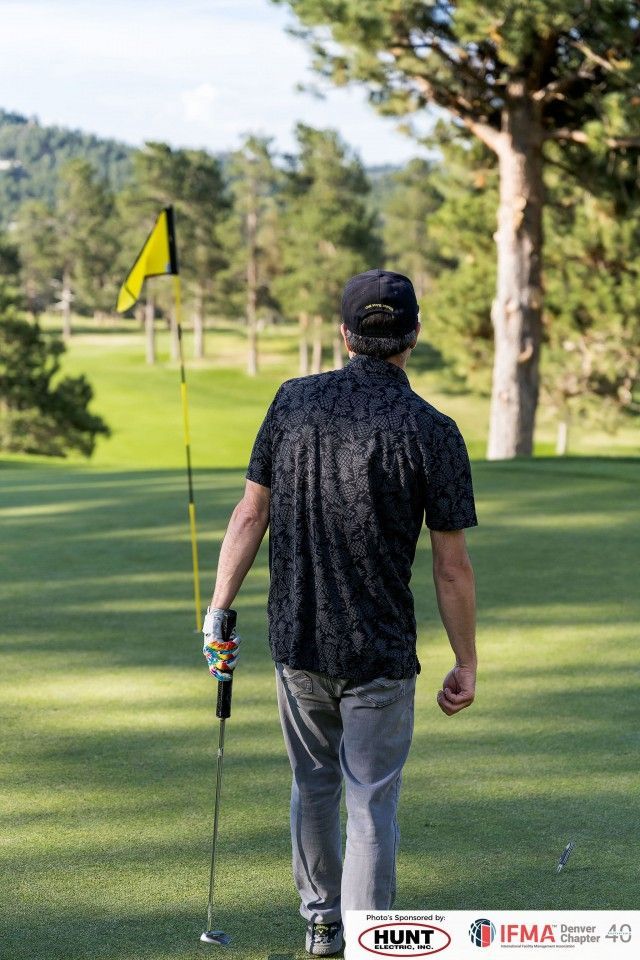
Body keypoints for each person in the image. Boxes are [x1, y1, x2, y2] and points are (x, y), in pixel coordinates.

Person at [202, 269, 478, 956]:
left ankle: (323, 922)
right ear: (413, 335)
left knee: (314, 786)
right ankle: (366, 940)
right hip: (381, 652)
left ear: (344, 334)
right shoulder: (433, 431)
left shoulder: (292, 402)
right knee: (370, 801)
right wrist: (466, 662)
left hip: (298, 640)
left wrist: (217, 610)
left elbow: (249, 513)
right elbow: (451, 564)